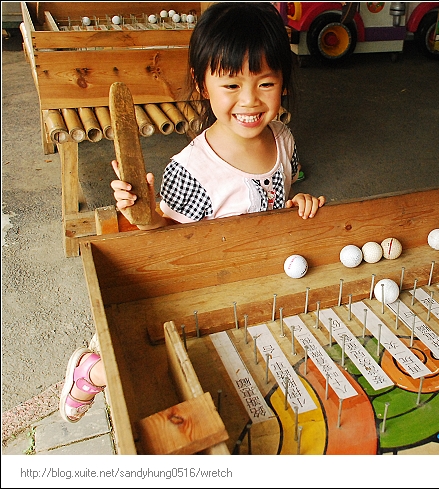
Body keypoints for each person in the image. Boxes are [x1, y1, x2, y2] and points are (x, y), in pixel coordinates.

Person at [60, 2, 325, 423]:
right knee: (143, 361)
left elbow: (276, 200)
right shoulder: (194, 170)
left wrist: (297, 206)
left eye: (266, 83)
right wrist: (143, 212)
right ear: (203, 85)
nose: (250, 100)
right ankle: (90, 371)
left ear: (284, 84)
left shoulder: (283, 140)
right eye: (231, 85)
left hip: (251, 275)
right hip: (197, 283)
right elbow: (165, 241)